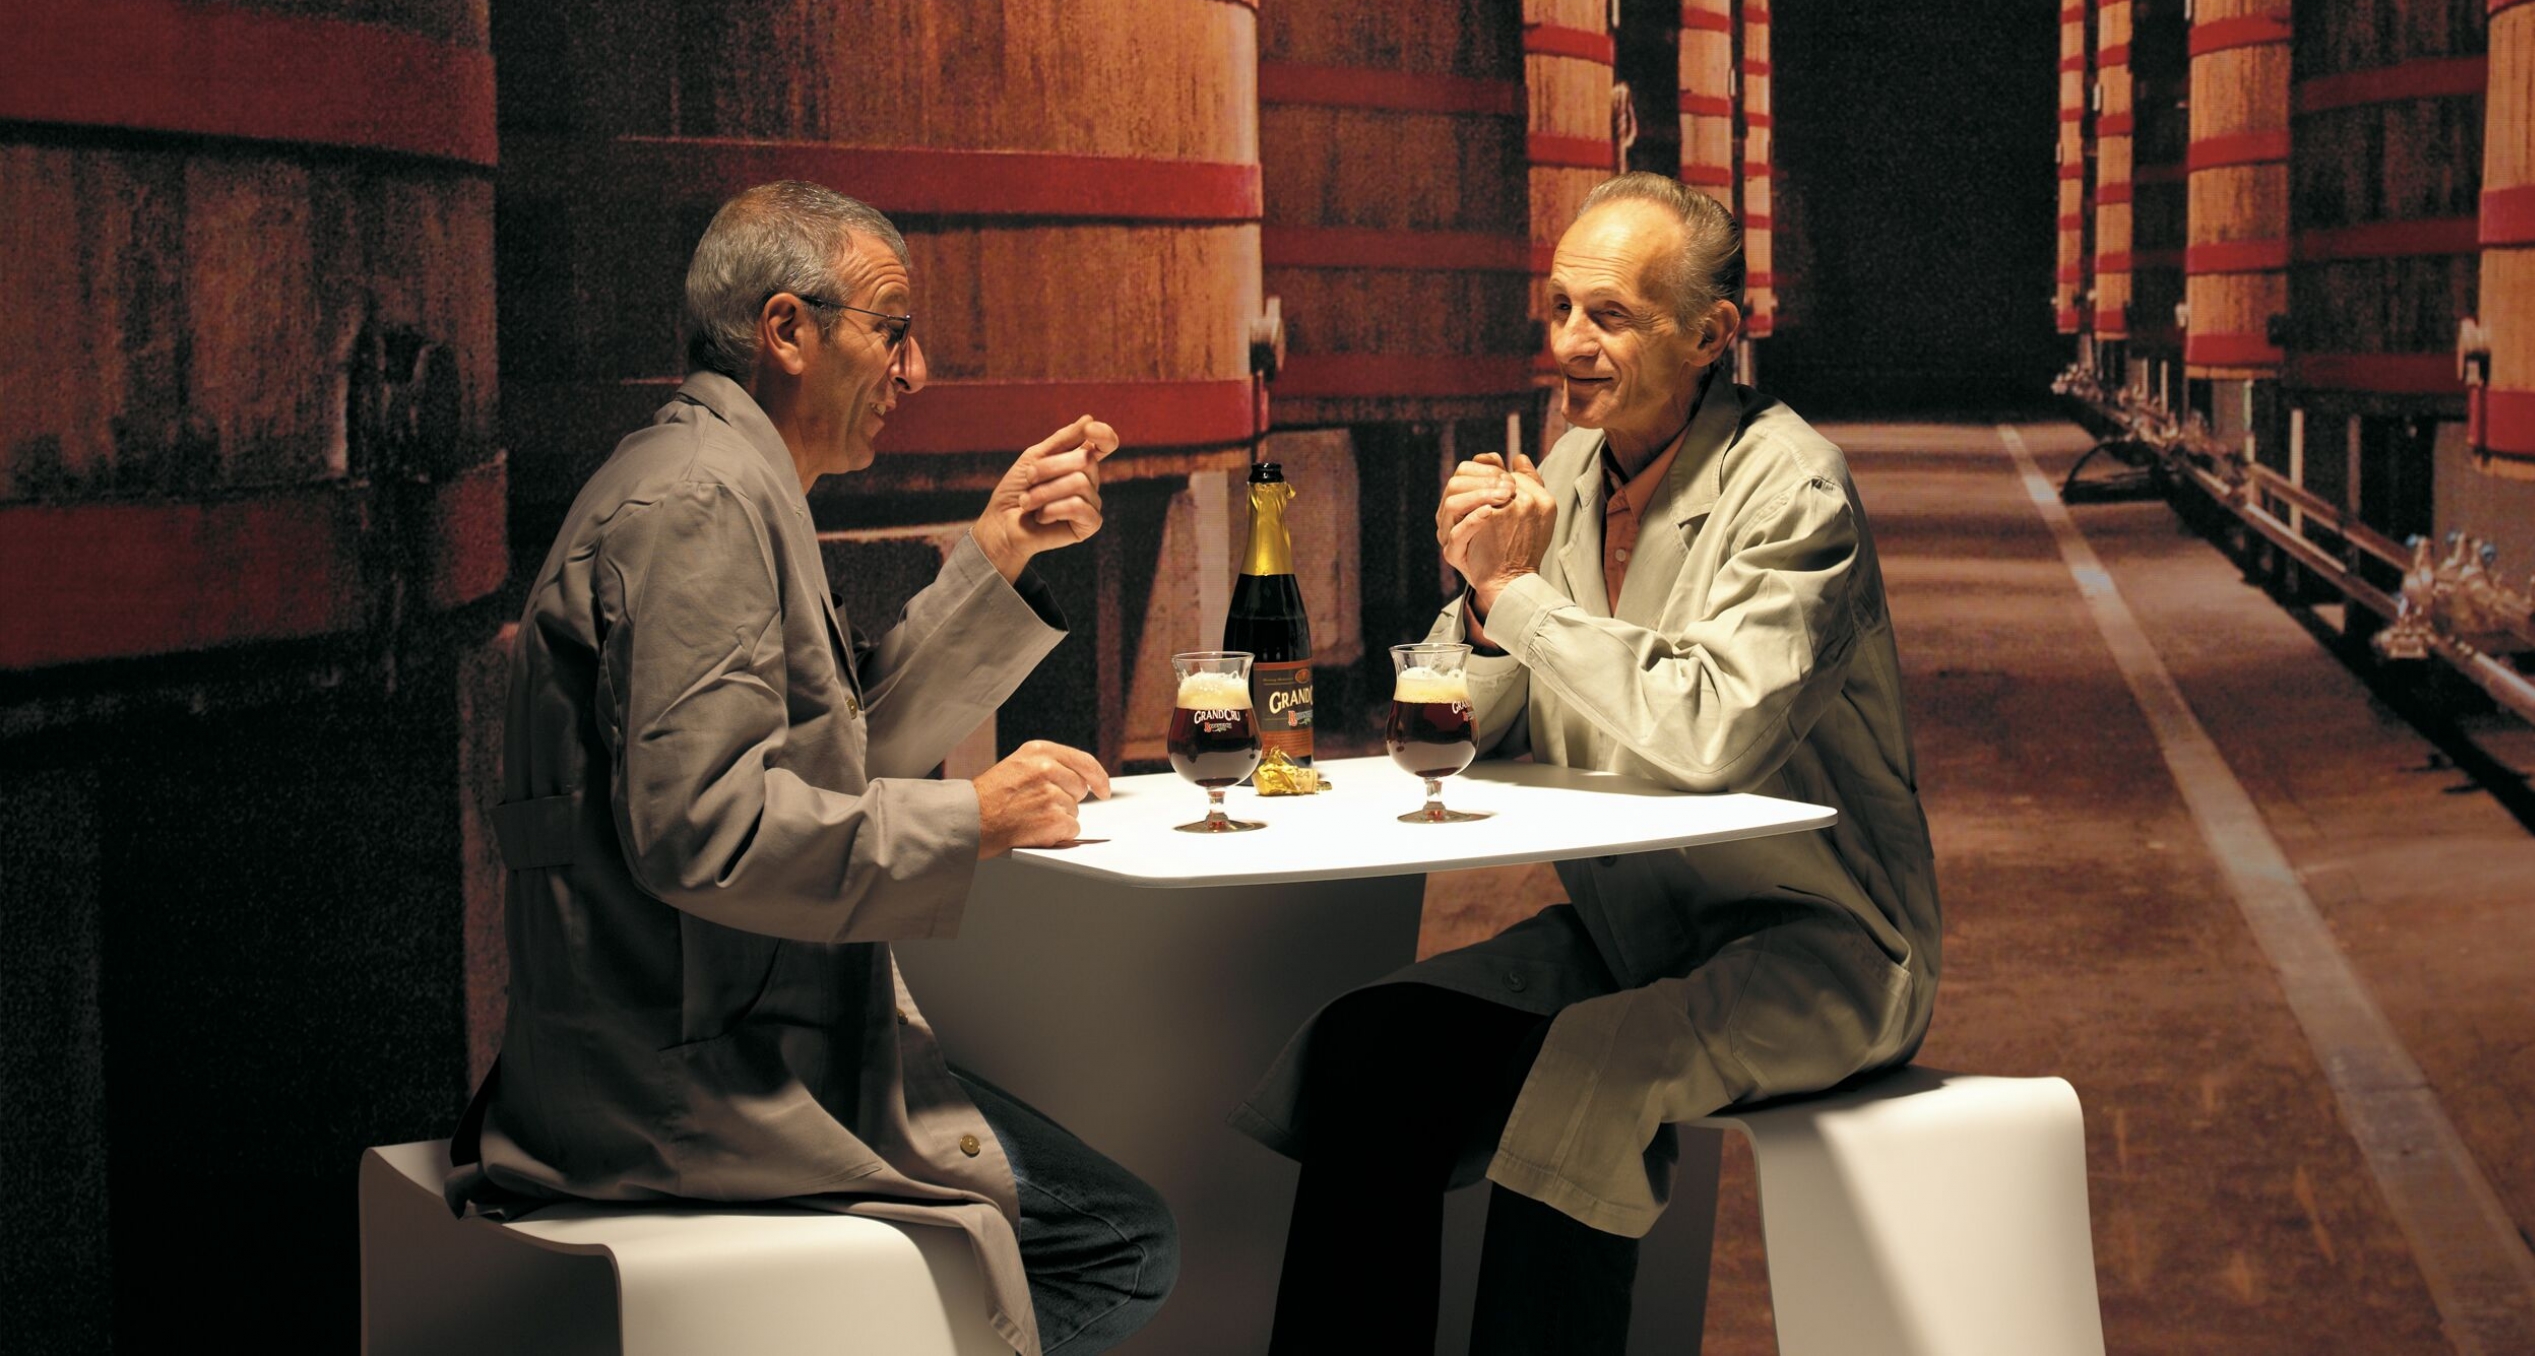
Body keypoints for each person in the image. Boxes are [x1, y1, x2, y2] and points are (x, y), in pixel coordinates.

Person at [461, 182, 1176, 1356]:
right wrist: (972, 821)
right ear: (788, 330)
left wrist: (998, 550)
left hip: (710, 1037)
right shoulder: (700, 502)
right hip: (684, 1083)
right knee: (1119, 1244)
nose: (916, 371)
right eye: (894, 330)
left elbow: (832, 759)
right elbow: (707, 829)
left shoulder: (724, 479)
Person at [1240, 173, 1941, 1355]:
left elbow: (1714, 733)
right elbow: (1473, 722)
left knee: (1587, 1079)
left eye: (1609, 315)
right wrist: (1478, 600)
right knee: (1373, 1052)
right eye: (1561, 306)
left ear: (1712, 334)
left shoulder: (1795, 490)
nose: (1569, 341)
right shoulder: (1566, 472)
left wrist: (1517, 595)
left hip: (1822, 946)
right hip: (1636, 933)